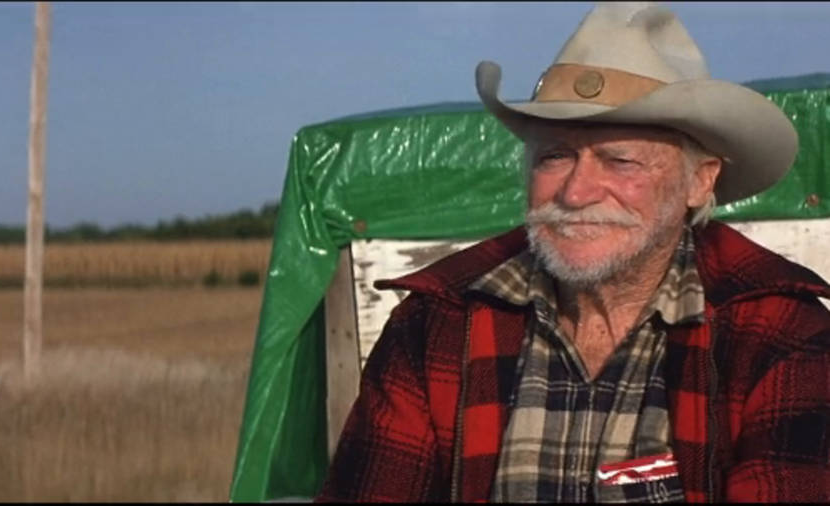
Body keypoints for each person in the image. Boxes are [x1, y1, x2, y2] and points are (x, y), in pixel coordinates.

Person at [316, 2, 830, 503]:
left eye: (619, 160)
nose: (576, 192)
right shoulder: (436, 326)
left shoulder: (780, 334)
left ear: (700, 180)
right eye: (555, 156)